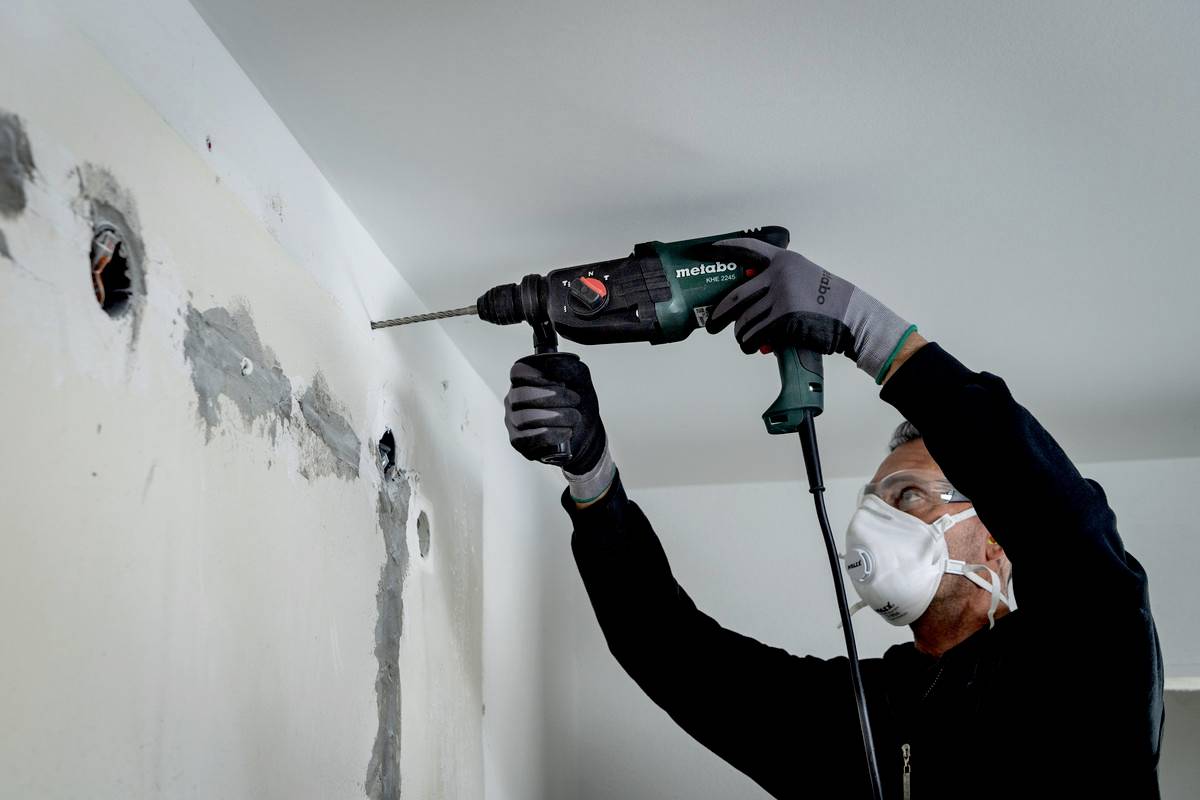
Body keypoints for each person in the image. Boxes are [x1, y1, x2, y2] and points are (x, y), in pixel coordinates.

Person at [503, 238, 1165, 798]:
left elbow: (1069, 529)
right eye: (872, 502)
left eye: (908, 496)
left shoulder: (1086, 660)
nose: (874, 524)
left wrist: (870, 332)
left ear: (996, 538)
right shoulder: (863, 714)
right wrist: (591, 477)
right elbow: (673, 654)